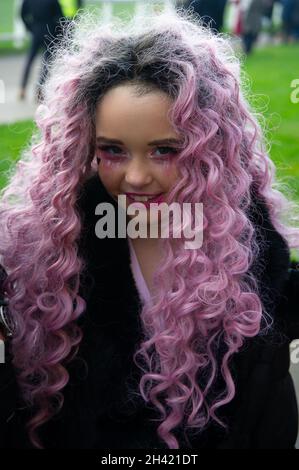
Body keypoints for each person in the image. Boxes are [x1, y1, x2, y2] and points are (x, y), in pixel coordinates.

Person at [0, 8, 299, 450]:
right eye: (113, 150)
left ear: (208, 149)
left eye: (164, 150)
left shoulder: (251, 260)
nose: (137, 178)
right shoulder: (49, 253)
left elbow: (265, 415)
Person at [19, 0, 63, 102]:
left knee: (30, 60)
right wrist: (58, 33)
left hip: (35, 31)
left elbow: (22, 14)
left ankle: (22, 88)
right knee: (46, 63)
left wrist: (30, 27)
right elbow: (59, 16)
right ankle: (39, 91)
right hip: (49, 31)